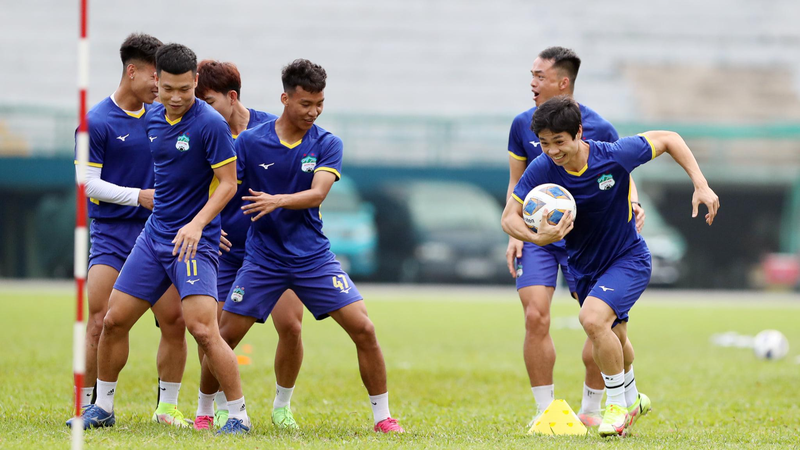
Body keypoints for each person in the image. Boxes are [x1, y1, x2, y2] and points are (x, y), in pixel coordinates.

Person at [197, 59, 404, 433]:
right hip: (264, 259)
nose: (314, 111)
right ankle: (205, 410)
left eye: (320, 103)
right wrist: (207, 224)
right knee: (222, 337)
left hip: (313, 257)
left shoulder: (327, 143)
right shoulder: (250, 142)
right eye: (306, 103)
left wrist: (276, 200)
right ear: (285, 98)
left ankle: (383, 418)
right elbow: (221, 187)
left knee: (364, 330)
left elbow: (318, 192)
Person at [502, 95, 719, 436]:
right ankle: (633, 395)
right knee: (616, 339)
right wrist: (538, 238)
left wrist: (701, 184)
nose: (552, 151)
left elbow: (669, 139)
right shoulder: (542, 168)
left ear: (578, 133)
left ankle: (617, 406)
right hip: (584, 267)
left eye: (559, 142)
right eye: (544, 143)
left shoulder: (613, 155)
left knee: (591, 319)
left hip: (627, 259)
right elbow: (508, 219)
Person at [82, 43, 251, 435]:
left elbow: (228, 185)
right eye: (168, 88)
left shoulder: (209, 124)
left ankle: (239, 414)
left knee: (203, 330)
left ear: (195, 81)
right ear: (157, 82)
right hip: (154, 235)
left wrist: (198, 224)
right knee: (113, 320)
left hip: (194, 242)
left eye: (185, 89)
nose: (176, 98)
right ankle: (103, 406)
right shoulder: (154, 116)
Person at [506, 46, 646, 428]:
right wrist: (523, 233)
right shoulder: (522, 124)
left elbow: (618, 171)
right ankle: (544, 411)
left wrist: (632, 202)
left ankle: (593, 408)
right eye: (531, 75)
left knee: (601, 324)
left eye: (539, 76)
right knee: (536, 316)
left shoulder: (599, 127)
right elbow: (516, 184)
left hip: (584, 239)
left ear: (562, 82)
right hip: (539, 235)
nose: (532, 83)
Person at [66, 33, 189, 429]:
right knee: (101, 320)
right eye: (155, 76)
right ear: (131, 71)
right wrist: (139, 196)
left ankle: (166, 408)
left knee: (174, 320)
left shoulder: (167, 116)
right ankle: (91, 407)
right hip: (114, 234)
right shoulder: (96, 121)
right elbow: (87, 183)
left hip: (161, 232)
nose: (161, 85)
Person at [193, 59, 305, 430]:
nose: (198, 109)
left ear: (232, 97)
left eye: (206, 101)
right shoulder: (202, 133)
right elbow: (189, 188)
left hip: (273, 249)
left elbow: (298, 183)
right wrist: (208, 225)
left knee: (291, 326)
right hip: (224, 250)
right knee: (216, 332)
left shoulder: (272, 128)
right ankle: (216, 405)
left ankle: (282, 406)